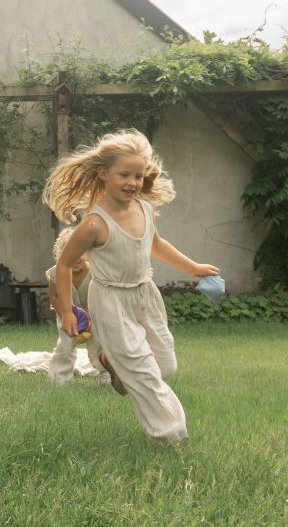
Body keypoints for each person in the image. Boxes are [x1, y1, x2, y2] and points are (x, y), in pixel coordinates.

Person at [42, 129, 218, 443]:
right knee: (144, 374)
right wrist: (67, 311)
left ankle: (112, 364)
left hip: (145, 295)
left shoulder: (144, 209)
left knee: (165, 365)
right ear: (103, 174)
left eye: (138, 176)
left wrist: (193, 268)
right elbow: (65, 265)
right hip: (111, 301)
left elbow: (157, 245)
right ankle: (170, 434)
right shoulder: (94, 224)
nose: (132, 182)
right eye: (124, 175)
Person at [45, 227, 119, 390]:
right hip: (67, 316)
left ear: (88, 252)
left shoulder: (96, 272)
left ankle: (105, 372)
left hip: (95, 315)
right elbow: (54, 297)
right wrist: (64, 315)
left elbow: (104, 295)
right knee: (65, 347)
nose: (76, 257)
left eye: (80, 252)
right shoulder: (55, 274)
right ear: (61, 255)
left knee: (99, 343)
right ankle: (59, 377)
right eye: (69, 253)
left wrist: (92, 317)